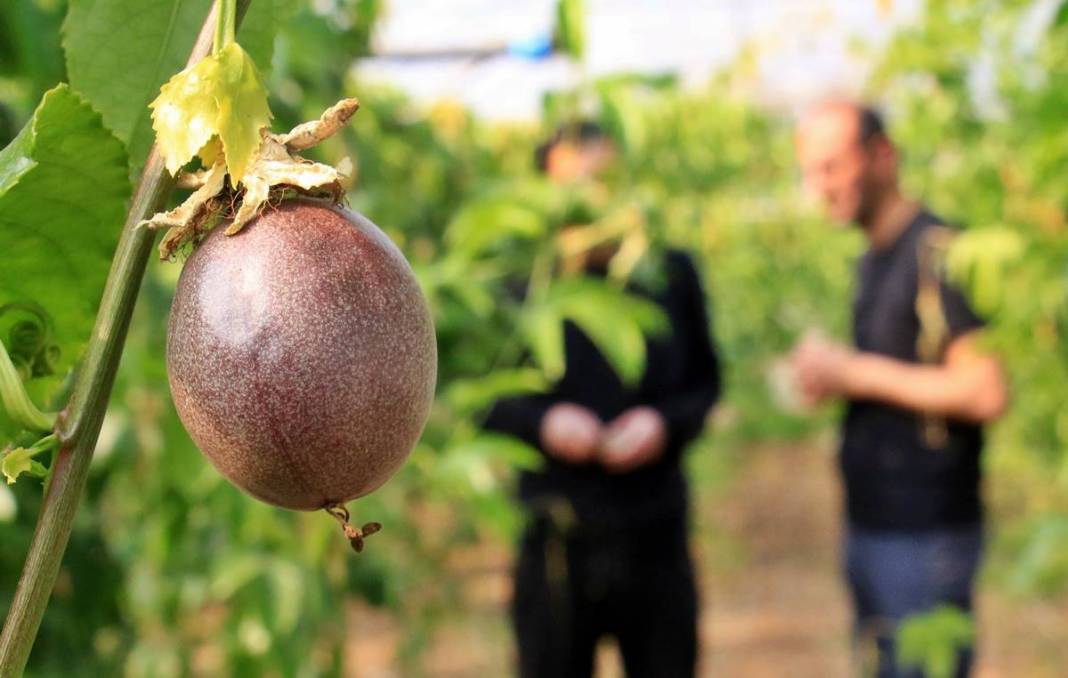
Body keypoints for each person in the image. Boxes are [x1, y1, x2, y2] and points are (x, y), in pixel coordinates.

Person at [484, 122, 722, 678]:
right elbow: (485, 396)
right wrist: (544, 423)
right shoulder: (520, 282)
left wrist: (662, 424)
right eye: (575, 187)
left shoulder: (668, 273)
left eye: (605, 182)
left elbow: (706, 383)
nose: (592, 201)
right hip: (556, 531)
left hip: (655, 528)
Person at [791, 101, 1009, 677]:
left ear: (882, 155)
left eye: (832, 167)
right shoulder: (873, 259)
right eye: (809, 171)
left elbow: (984, 390)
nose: (819, 187)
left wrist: (853, 372)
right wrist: (835, 377)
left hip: (926, 534)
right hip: (874, 523)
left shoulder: (941, 253)